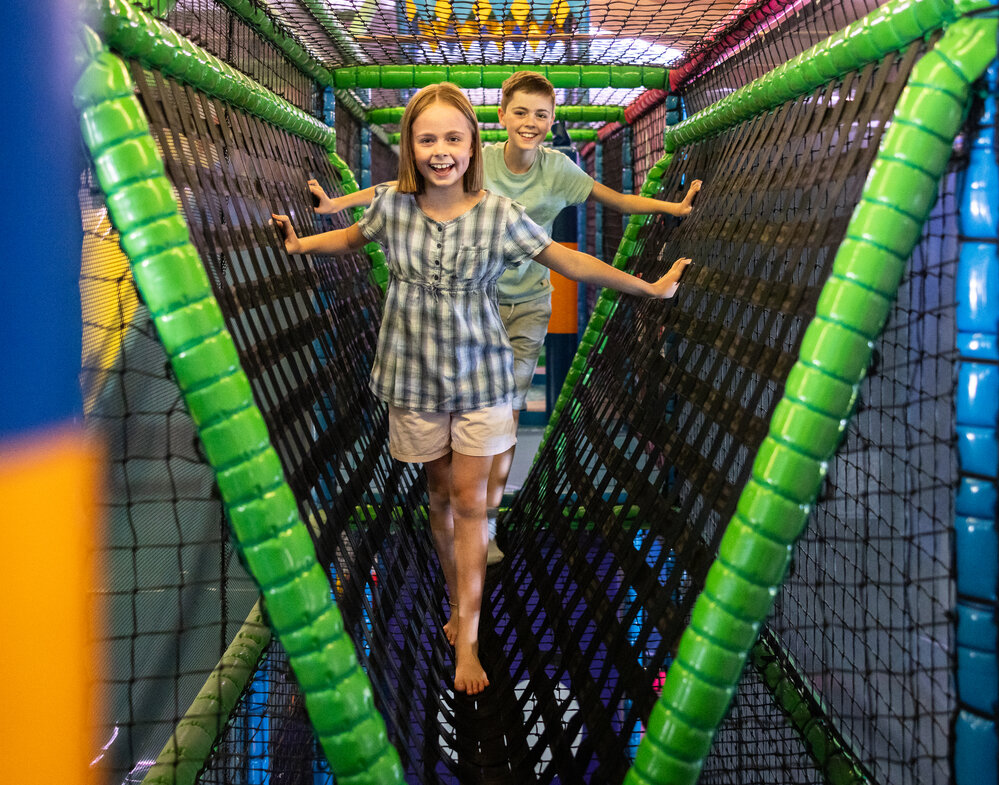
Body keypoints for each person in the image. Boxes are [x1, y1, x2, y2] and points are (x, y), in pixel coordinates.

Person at [273, 82, 690, 696]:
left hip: (483, 379)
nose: (441, 150)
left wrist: (646, 287)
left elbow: (567, 260)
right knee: (440, 498)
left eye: (452, 138)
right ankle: (453, 599)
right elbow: (355, 237)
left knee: (468, 502)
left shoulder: (499, 213)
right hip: (414, 379)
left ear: (473, 145)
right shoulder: (393, 205)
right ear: (412, 148)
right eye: (427, 139)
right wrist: (302, 241)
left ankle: (467, 637)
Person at [307, 71, 703, 564]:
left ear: (553, 121)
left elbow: (615, 202)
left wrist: (673, 210)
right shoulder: (480, 161)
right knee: (470, 416)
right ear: (500, 118)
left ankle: (484, 520)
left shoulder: (560, 171)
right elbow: (400, 185)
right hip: (481, 305)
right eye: (520, 112)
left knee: (506, 416)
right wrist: (335, 206)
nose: (530, 123)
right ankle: (462, 509)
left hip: (531, 302)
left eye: (541, 114)